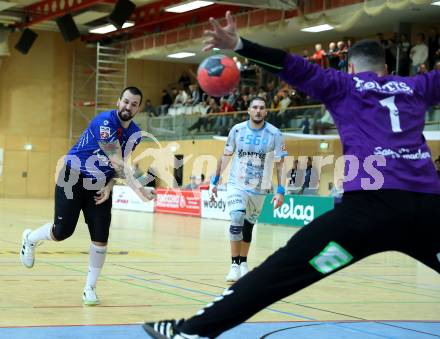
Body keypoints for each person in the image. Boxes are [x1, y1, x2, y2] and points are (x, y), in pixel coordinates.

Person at [143, 11, 440, 338]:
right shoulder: (418, 85)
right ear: (386, 70)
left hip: (366, 214)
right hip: (427, 210)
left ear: (351, 67)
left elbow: (291, 65)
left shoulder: (343, 84)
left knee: (277, 274)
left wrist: (240, 44)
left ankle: (192, 332)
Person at [20, 87, 155, 306]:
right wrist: (140, 189)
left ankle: (89, 288)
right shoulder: (104, 122)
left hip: (100, 184)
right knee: (62, 231)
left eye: (133, 104)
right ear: (118, 101)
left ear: (138, 108)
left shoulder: (135, 134)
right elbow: (117, 161)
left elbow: (120, 164)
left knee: (101, 238)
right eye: (125, 101)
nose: (128, 107)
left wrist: (110, 185)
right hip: (73, 176)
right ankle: (30, 239)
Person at [208, 96, 288, 283]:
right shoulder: (237, 130)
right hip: (237, 184)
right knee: (237, 217)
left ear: (266, 112)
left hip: (260, 188)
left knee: (248, 226)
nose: (258, 110)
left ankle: (243, 263)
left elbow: (281, 164)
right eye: (255, 107)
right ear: (249, 110)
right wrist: (215, 179)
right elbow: (226, 155)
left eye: (262, 108)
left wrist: (281, 190)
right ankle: (234, 264)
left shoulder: (275, 134)